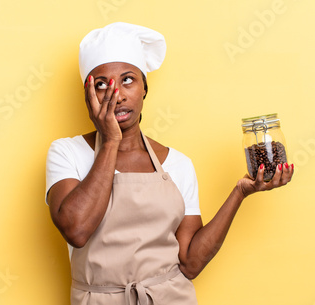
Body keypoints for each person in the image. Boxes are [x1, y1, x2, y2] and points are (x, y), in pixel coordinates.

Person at [45, 22, 294, 305]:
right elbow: (76, 230)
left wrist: (240, 192)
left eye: (128, 80)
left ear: (144, 88)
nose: (118, 95)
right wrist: (111, 141)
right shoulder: (67, 152)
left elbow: (189, 263)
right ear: (89, 97)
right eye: (102, 85)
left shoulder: (178, 164)